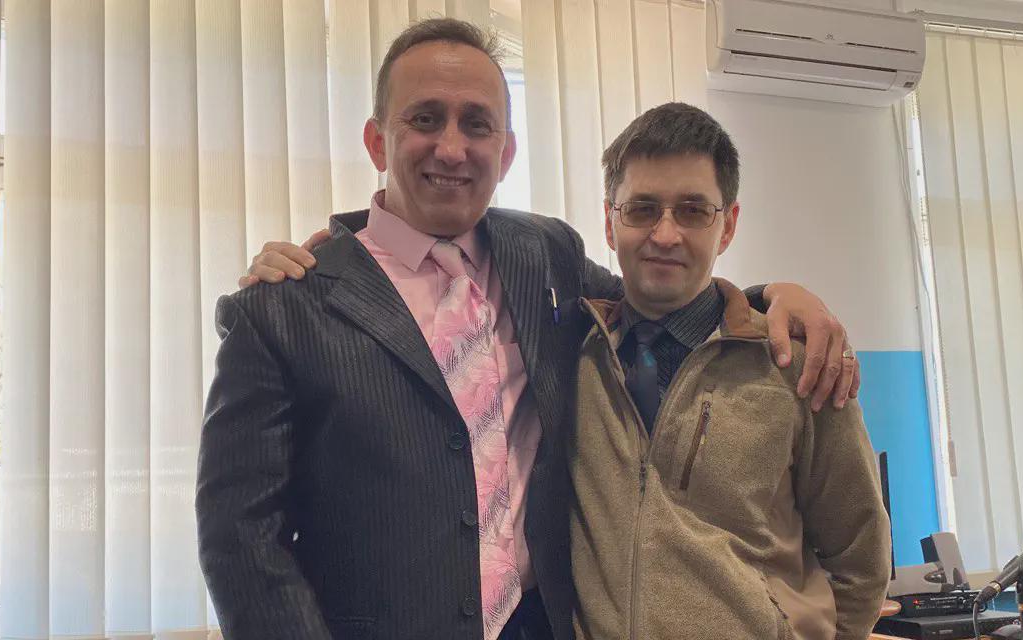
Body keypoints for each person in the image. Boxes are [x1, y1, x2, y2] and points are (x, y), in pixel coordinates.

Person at [197, 17, 858, 640]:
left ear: (506, 150)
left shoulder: (546, 253)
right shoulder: (284, 308)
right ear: (377, 141)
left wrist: (771, 299)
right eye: (425, 118)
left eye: (477, 124)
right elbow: (239, 538)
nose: (451, 147)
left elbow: (661, 302)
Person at [568, 102, 890, 640]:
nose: (665, 234)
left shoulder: (796, 367)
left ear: (728, 225)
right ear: (609, 221)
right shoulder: (575, 357)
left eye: (692, 210)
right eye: (642, 209)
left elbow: (862, 558)